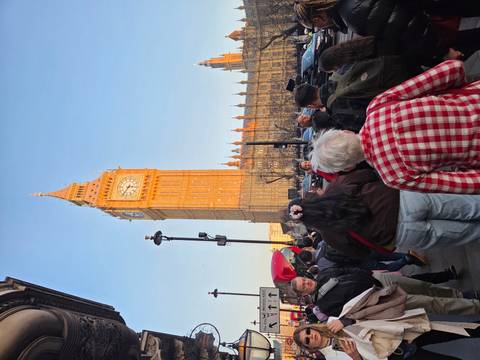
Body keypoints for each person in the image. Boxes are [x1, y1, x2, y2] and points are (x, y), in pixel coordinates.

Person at [310, 60, 480, 193]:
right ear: (345, 132)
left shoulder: (393, 177)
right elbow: (451, 69)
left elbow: (468, 184)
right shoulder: (378, 107)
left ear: (349, 167)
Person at [287, 168, 480, 254]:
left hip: (400, 234)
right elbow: (370, 174)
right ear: (308, 199)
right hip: (403, 201)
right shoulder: (338, 186)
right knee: (466, 207)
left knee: (465, 234)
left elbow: (359, 253)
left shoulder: (330, 236)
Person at [293, 286, 480, 360]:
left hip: (402, 333)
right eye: (308, 340)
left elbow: (361, 306)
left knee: (456, 331)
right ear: (309, 348)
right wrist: (356, 357)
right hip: (398, 356)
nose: (312, 336)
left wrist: (346, 320)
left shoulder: (334, 321)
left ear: (311, 327)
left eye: (308, 332)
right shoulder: (331, 358)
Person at [291, 266, 479, 319]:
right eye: (303, 286)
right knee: (429, 303)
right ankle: (473, 307)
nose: (306, 282)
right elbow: (349, 312)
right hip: (382, 299)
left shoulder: (325, 273)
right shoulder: (324, 305)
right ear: (304, 293)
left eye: (304, 280)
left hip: (380, 280)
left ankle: (461, 295)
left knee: (422, 286)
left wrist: (368, 274)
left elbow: (348, 269)